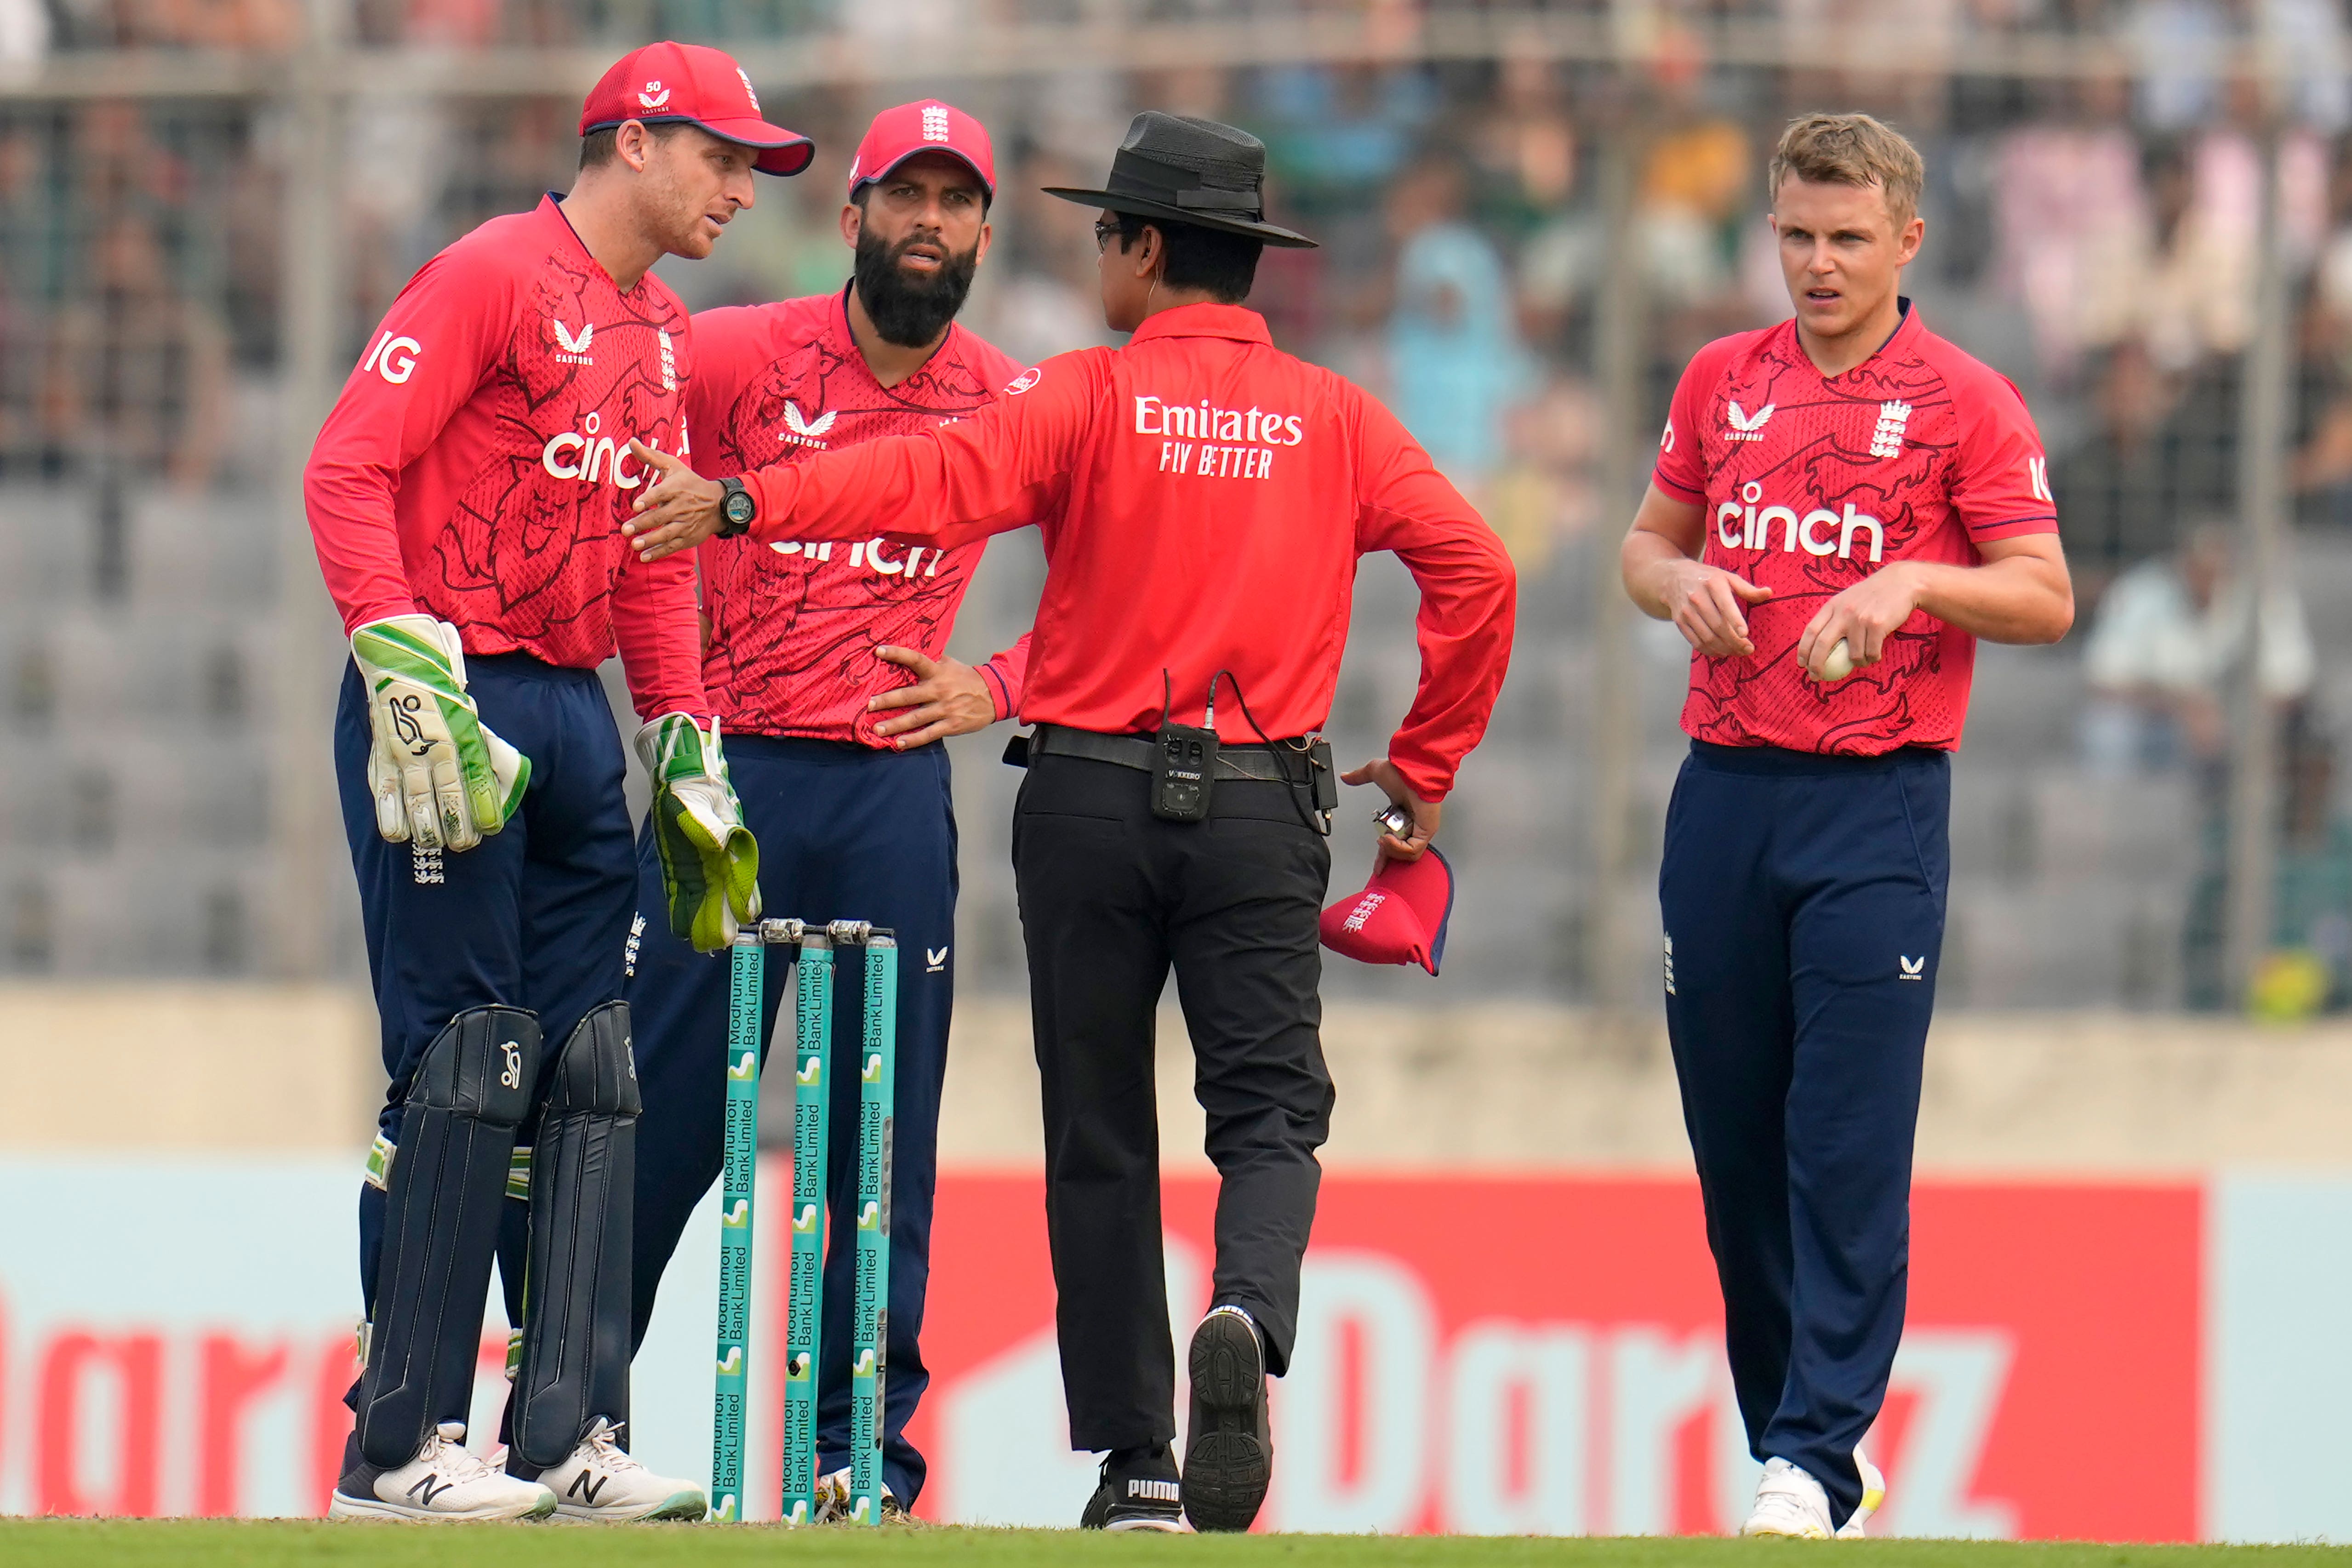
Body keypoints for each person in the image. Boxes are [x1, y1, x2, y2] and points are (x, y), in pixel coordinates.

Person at [620, 111, 1518, 1534]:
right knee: (1270, 1110)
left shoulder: (1086, 397)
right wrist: (1422, 768)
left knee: (1099, 1128)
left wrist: (749, 499)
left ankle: (1138, 1463)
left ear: (1144, 251)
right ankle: (1244, 1306)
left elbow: (920, 478)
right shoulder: (1339, 418)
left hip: (1091, 796)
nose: (1101, 256)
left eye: (1109, 235)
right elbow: (1476, 571)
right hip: (1260, 799)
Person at [303, 41, 805, 1523]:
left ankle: (565, 1432)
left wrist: (685, 738)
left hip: (580, 712)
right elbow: (345, 467)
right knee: (467, 1063)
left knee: (589, 1069)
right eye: (721, 155)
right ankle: (398, 1444)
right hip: (457, 693)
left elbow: (655, 557)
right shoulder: (489, 272)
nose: (739, 186)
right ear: (635, 141)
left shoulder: (660, 332)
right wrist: (404, 666)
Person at [1619, 113, 2074, 1539]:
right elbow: (1643, 543)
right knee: (1735, 1147)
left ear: (1906, 242)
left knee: (1846, 1142)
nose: (1816, 265)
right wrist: (1674, 581)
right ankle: (1792, 1442)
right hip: (1723, 794)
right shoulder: (1719, 380)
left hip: (1874, 804)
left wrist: (1913, 587)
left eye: (1845, 239)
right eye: (1796, 236)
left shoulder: (1964, 399)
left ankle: (1814, 1454)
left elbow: (2046, 594)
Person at [624, 99, 1029, 1518]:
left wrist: (998, 680)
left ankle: (859, 1455)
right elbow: (605, 443)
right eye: (902, 197)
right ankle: (574, 1419)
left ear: (985, 232)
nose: (928, 222)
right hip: (724, 776)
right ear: (849, 219)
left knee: (877, 1136)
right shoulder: (736, 351)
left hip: (886, 784)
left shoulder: (1008, 396)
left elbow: (1123, 576)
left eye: (955, 201)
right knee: (654, 1112)